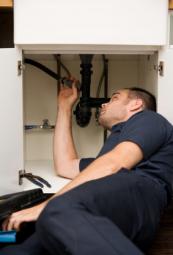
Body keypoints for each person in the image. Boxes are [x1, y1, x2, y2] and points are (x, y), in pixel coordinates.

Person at [1, 80, 173, 255]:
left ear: (136, 104)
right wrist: (65, 107)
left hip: (140, 192)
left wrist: (44, 206)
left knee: (58, 209)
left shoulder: (149, 119)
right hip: (109, 212)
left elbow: (115, 163)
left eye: (114, 98)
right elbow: (65, 166)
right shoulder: (106, 156)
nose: (104, 103)